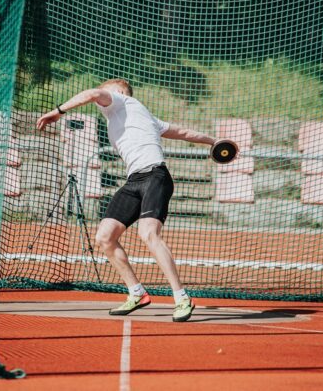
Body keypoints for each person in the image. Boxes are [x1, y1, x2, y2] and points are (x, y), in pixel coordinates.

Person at [36, 78, 216, 322]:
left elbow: (91, 93)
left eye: (105, 91)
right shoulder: (142, 116)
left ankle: (182, 297)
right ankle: (137, 293)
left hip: (155, 176)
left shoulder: (121, 101)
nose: (101, 97)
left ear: (119, 92)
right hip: (134, 182)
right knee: (104, 236)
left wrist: (57, 112)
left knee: (149, 234)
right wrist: (213, 141)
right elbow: (183, 133)